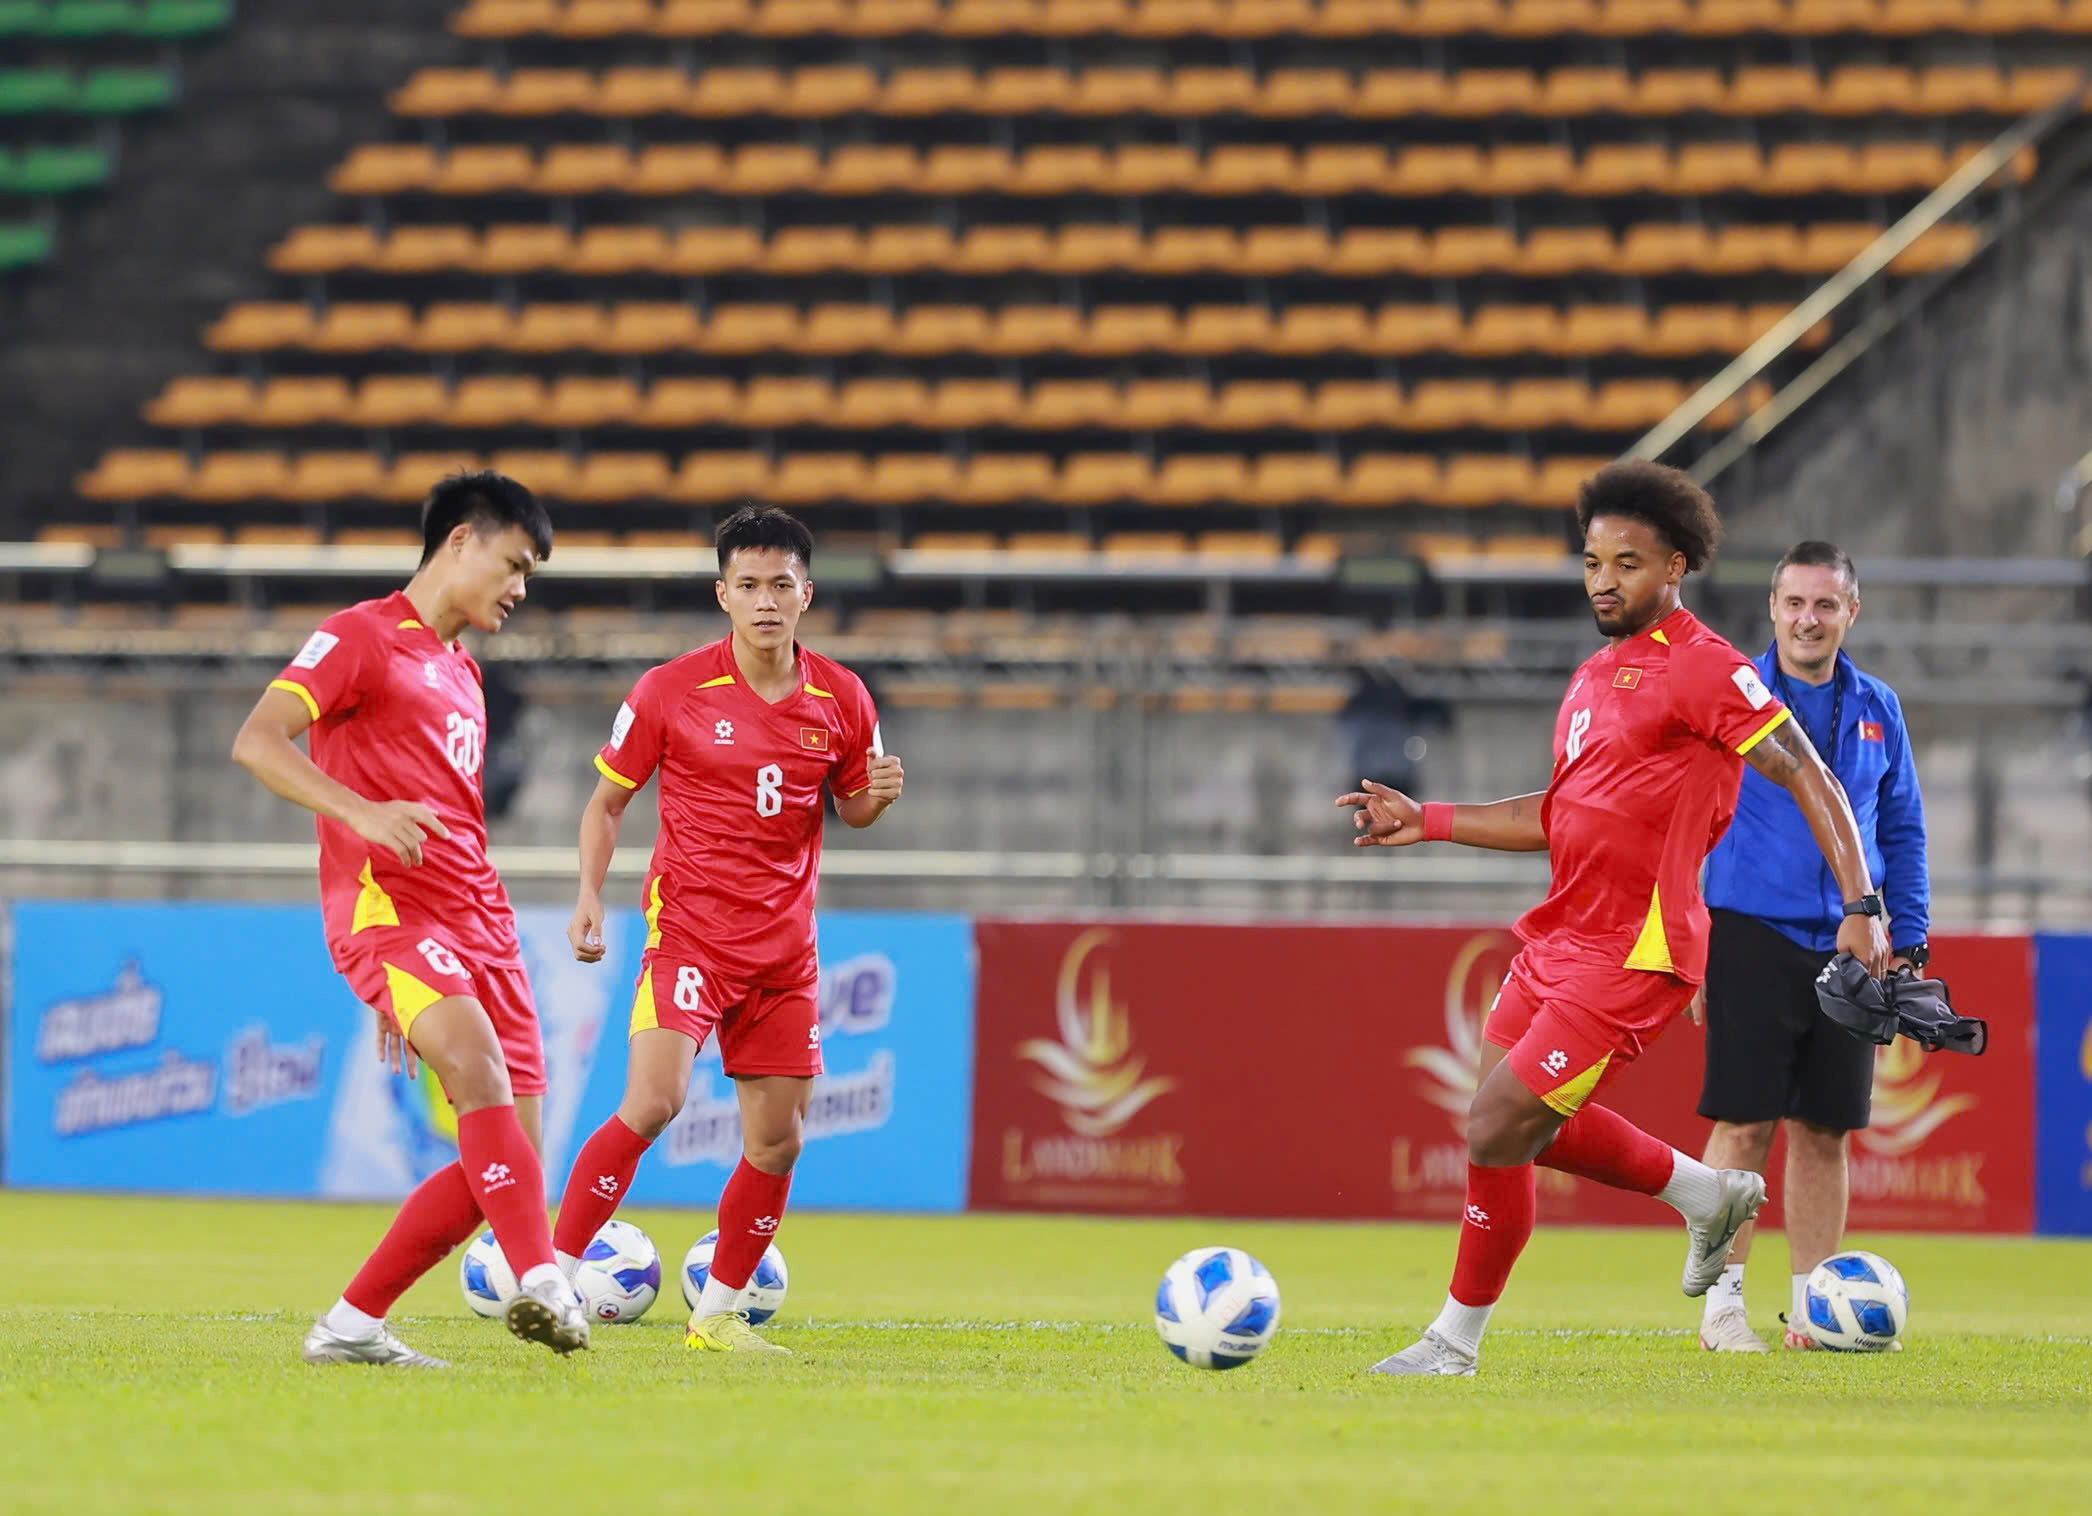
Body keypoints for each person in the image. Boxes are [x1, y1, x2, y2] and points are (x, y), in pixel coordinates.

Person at [1338, 460, 1891, 1376]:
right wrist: (1427, 819)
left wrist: (1863, 905)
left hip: (1637, 948)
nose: (1604, 579)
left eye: (1626, 563)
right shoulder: (1595, 675)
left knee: (1495, 1124)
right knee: (1500, 1138)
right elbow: (1559, 813)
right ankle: (1457, 1340)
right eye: (1592, 561)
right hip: (1559, 935)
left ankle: (1701, 1197)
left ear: (1675, 568)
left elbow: (1811, 775)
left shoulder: (1707, 668)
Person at [231, 471, 591, 1365]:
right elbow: (257, 741)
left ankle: (350, 1326)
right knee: (481, 1084)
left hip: (483, 926)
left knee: (502, 1162)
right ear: (460, 540)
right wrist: (359, 812)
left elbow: (454, 820)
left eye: (529, 578)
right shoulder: (359, 636)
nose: (518, 590)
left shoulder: (464, 673)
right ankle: (542, 1279)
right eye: (513, 566)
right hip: (391, 912)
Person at [552, 504, 903, 1355]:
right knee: (655, 1100)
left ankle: (718, 1317)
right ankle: (550, 1275)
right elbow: (607, 803)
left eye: (781, 584)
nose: (765, 601)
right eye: (748, 585)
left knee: (777, 1142)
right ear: (723, 595)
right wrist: (589, 895)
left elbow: (849, 808)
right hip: (692, 936)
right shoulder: (670, 691)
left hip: (785, 952)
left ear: (807, 593)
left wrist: (874, 800)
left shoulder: (844, 698)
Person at [1693, 541, 1929, 1352]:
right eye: (1795, 603)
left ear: (1851, 613)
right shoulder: (1734, 698)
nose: (1808, 618)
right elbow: (1691, 818)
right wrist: (1689, 939)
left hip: (1851, 950)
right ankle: (1721, 1303)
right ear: (1772, 609)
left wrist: (1915, 938)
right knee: (1744, 1125)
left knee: (1825, 1130)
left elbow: (1902, 826)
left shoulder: (1879, 707)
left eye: (1826, 604)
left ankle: (1813, 1308)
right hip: (1749, 931)